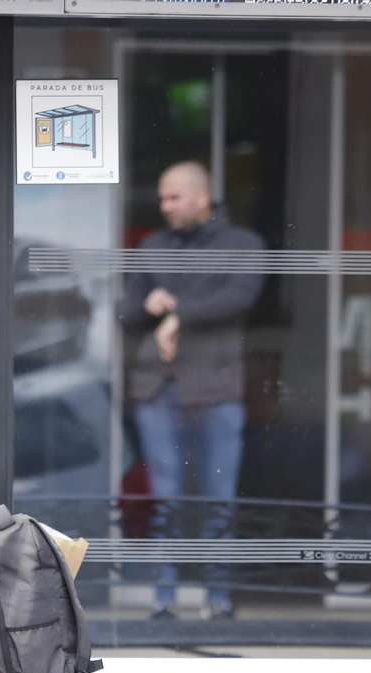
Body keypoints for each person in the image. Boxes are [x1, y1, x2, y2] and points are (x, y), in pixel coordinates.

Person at [118, 161, 265, 621]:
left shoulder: (243, 243)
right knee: (166, 496)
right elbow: (124, 308)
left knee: (218, 496)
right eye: (162, 198)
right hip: (159, 388)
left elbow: (240, 296)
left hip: (216, 389)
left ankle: (218, 597)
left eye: (173, 197)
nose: (165, 207)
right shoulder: (153, 246)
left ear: (202, 196)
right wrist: (146, 304)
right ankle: (164, 598)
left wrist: (180, 313)